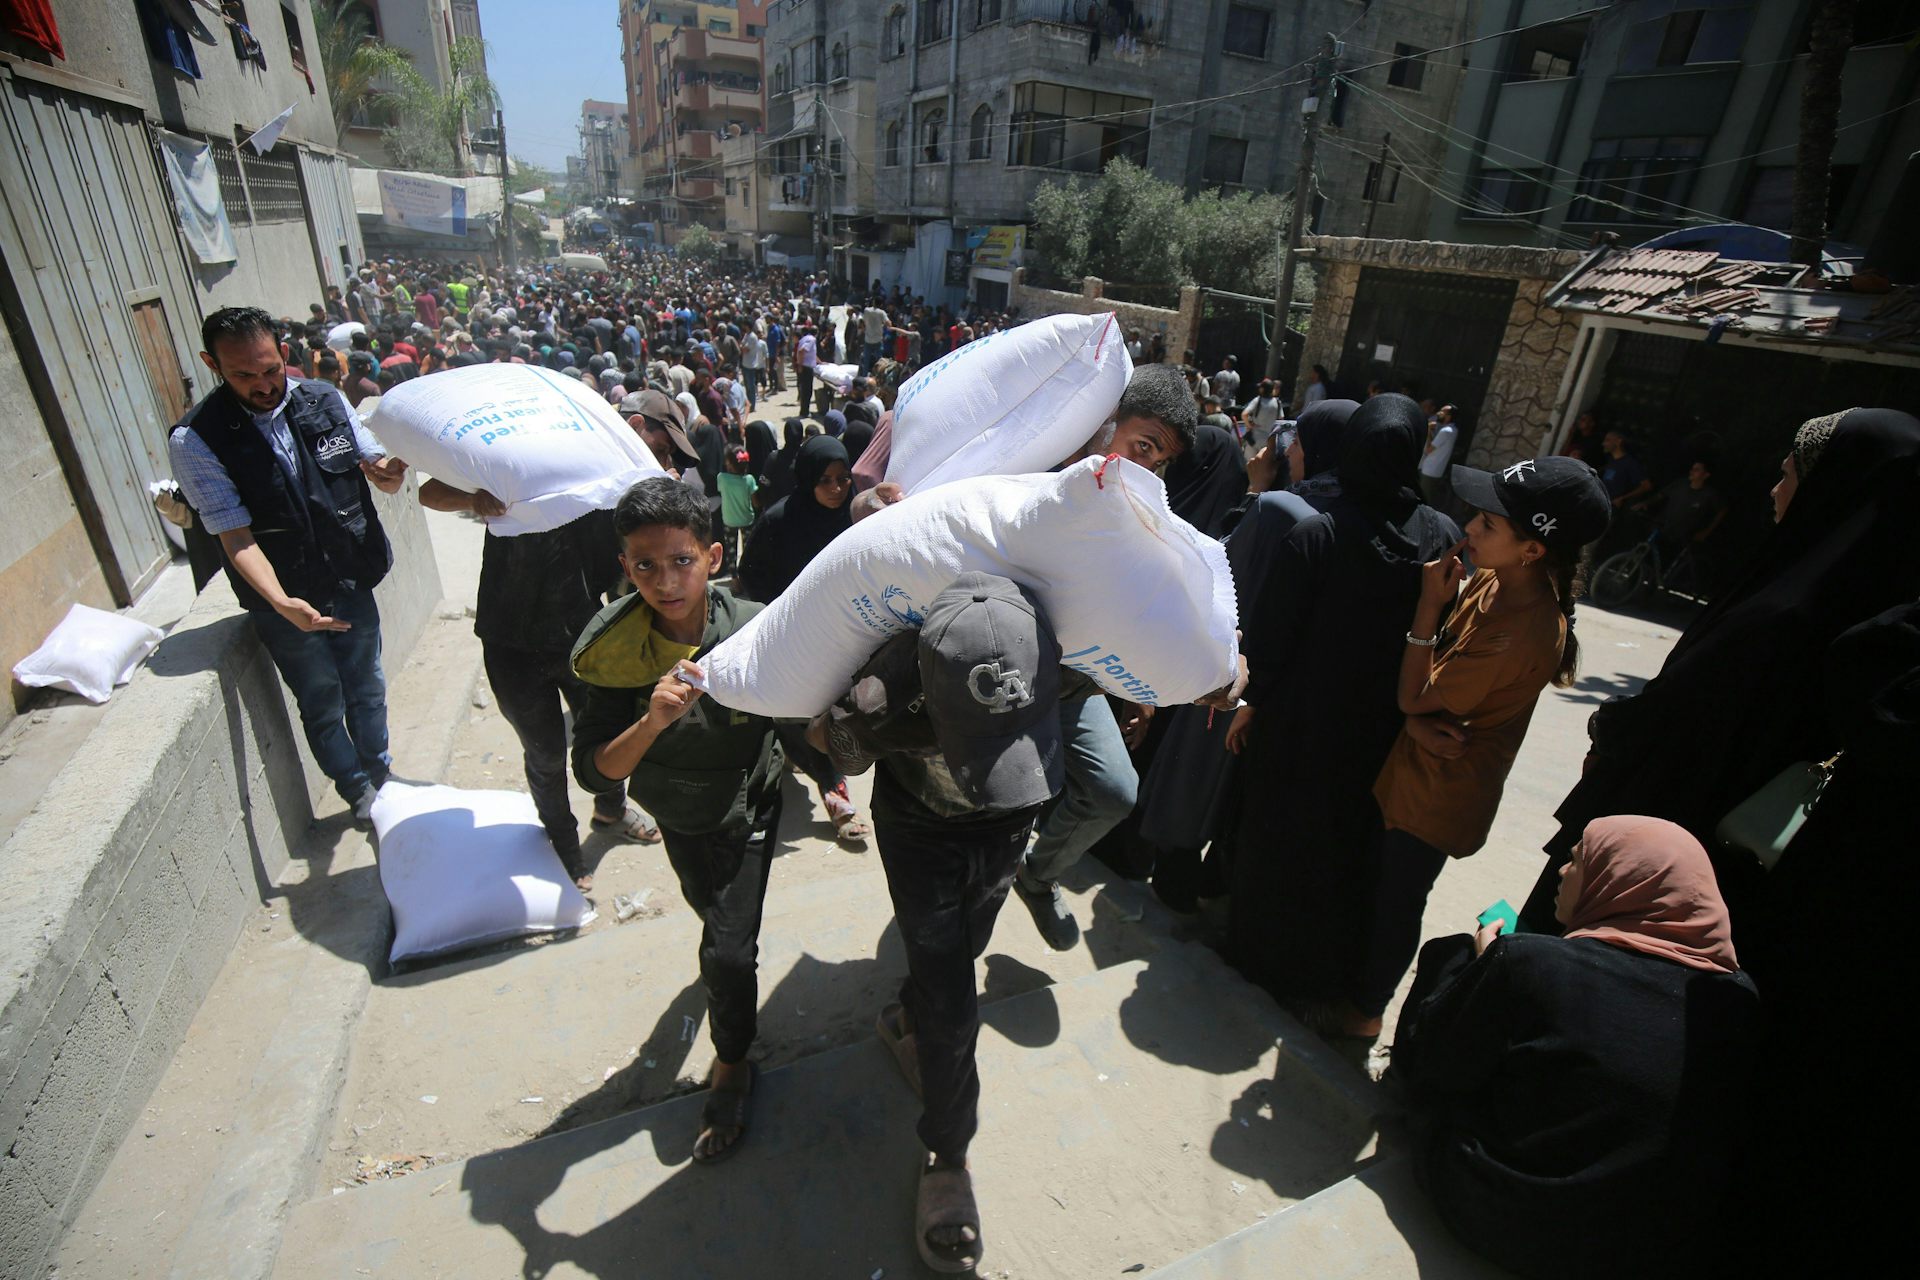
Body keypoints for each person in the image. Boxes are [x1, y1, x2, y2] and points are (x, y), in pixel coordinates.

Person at [1518, 407, 1920, 935]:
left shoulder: (1783, 613)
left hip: (1649, 855)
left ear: (1830, 490)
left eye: (1789, 474)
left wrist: (1615, 729)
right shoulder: (1881, 620)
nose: (1774, 490)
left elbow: (1680, 717)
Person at [813, 574, 1065, 1275]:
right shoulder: (883, 694)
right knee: (955, 1002)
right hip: (921, 831)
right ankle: (948, 1155)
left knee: (966, 949)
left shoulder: (1053, 648)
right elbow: (830, 744)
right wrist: (842, 729)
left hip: (1008, 823)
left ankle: (906, 1019)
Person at [1389, 816, 1760, 1280]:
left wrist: (1484, 969)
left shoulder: (1532, 963)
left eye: (1577, 859)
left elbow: (1437, 1067)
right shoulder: (1735, 1000)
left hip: (1504, 1215)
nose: (1562, 872)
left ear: (1618, 879)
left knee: (1451, 956)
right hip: (1632, 1251)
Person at [1335, 456, 1611, 1039]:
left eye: (1488, 523)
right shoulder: (1497, 580)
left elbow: (1415, 697)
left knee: (1396, 903)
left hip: (1440, 791)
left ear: (1532, 549)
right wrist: (1413, 723)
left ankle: (1363, 1015)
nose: (1469, 529)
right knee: (1376, 888)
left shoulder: (1521, 629)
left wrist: (1428, 605)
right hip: (1417, 768)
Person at [570, 478, 785, 1164]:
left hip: (752, 801)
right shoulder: (616, 651)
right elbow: (595, 771)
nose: (665, 582)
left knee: (728, 951)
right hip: (684, 812)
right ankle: (723, 962)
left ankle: (732, 1062)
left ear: (713, 557)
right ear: (625, 567)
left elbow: (800, 705)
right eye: (645, 565)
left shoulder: (756, 624)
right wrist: (652, 722)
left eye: (681, 561)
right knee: (711, 916)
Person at [1222, 395, 1460, 1012]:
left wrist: (1254, 703)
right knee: (1349, 851)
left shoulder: (1318, 534)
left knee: (1277, 841)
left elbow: (1271, 643)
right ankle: (1321, 976)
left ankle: (1256, 957)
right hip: (1383, 731)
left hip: (1299, 726)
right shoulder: (1441, 536)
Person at [167, 307, 409, 821]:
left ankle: (382, 775)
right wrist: (281, 603)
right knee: (322, 700)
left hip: (348, 576)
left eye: (270, 369)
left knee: (367, 685)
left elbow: (371, 460)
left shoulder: (324, 398)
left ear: (283, 353)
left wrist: (389, 473)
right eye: (243, 375)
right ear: (213, 365)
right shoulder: (196, 440)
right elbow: (235, 536)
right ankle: (358, 791)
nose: (262, 385)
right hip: (286, 598)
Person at [416, 482, 658, 889]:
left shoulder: (586, 464)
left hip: (581, 634)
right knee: (545, 753)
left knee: (606, 735)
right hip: (510, 643)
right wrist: (473, 499)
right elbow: (428, 493)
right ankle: (562, 844)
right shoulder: (501, 462)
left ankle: (611, 810)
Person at [736, 436, 872, 850]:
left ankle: (816, 768)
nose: (837, 488)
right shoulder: (779, 520)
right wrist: (778, 615)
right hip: (790, 637)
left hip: (843, 636)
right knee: (799, 715)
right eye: (825, 480)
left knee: (831, 715)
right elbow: (750, 576)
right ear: (808, 478)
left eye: (843, 478)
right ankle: (834, 792)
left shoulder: (855, 519)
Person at [1634, 458, 1725, 552]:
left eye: (1697, 470)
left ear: (1706, 475)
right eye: (1692, 469)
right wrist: (1646, 502)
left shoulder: (1709, 494)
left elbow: (1721, 511)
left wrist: (1706, 532)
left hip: (1681, 538)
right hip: (1661, 527)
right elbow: (1661, 494)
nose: (1691, 471)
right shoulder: (1681, 484)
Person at [716, 446, 758, 572]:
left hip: (729, 519)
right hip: (747, 519)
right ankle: (746, 572)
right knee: (748, 549)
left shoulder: (722, 478)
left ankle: (734, 576)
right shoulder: (749, 480)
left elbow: (720, 491)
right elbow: (755, 502)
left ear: (729, 464)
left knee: (731, 549)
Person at [1597, 430, 1651, 509]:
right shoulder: (1611, 460)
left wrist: (1623, 498)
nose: (1604, 443)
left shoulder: (1630, 463)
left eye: (1608, 440)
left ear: (1618, 441)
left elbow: (1646, 486)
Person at [1417, 405, 1457, 509]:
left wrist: (1428, 430)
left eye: (1442, 412)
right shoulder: (1453, 430)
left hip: (1429, 470)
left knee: (1422, 500)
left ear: (1449, 416)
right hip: (1436, 470)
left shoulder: (1445, 431)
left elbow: (1428, 449)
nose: (1439, 413)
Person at [1238, 378, 1283, 459]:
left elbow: (1244, 414)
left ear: (1262, 389)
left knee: (1249, 461)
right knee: (1263, 463)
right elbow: (1281, 418)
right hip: (1269, 439)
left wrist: (1249, 425)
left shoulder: (1258, 400)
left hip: (1255, 438)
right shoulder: (1277, 402)